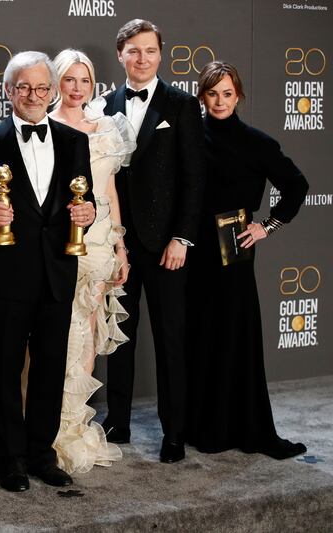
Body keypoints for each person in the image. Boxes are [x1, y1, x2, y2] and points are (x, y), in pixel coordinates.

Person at [0, 51, 96, 492]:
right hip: (6, 272)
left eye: (41, 88)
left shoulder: (74, 141)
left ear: (52, 91)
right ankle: (9, 459)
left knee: (50, 367)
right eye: (24, 88)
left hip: (57, 269)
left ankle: (41, 452)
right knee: (3, 370)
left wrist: (89, 213)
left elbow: (81, 200)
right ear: (8, 92)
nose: (34, 96)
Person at [186, 61, 308, 460]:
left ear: (238, 96)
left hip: (231, 244)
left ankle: (242, 426)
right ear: (201, 96)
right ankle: (202, 426)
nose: (219, 101)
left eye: (227, 93)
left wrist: (266, 227)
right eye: (211, 93)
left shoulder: (257, 142)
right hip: (190, 249)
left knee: (235, 335)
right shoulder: (188, 137)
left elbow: (296, 185)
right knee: (198, 336)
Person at [101, 19, 205, 463]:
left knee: (170, 339)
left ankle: (174, 432)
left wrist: (182, 237)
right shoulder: (104, 104)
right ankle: (118, 422)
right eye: (133, 51)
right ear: (120, 54)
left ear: (161, 55)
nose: (142, 58)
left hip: (167, 245)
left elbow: (194, 179)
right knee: (119, 338)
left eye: (150, 51)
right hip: (119, 241)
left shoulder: (181, 105)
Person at [48, 49, 135, 474]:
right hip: (61, 239)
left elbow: (112, 192)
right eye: (69, 79)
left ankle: (76, 428)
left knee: (88, 332)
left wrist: (120, 247)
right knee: (58, 332)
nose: (77, 87)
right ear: (57, 83)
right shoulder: (44, 126)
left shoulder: (108, 129)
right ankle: (49, 429)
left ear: (92, 84)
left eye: (84, 80)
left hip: (100, 242)